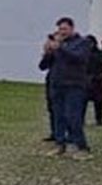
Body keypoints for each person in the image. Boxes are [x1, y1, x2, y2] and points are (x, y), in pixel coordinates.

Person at [39, 17, 94, 158]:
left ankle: (82, 146)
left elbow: (79, 58)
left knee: (73, 117)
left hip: (74, 85)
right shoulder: (58, 45)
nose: (61, 32)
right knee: (58, 117)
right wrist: (48, 52)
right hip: (57, 85)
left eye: (64, 29)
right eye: (59, 29)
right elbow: (43, 66)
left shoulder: (83, 42)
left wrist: (61, 48)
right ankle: (60, 144)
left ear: (72, 28)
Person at [85, 34, 102, 127]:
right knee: (83, 101)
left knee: (99, 102)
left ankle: (99, 120)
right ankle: (81, 119)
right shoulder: (83, 54)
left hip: (98, 79)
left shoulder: (99, 54)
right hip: (86, 79)